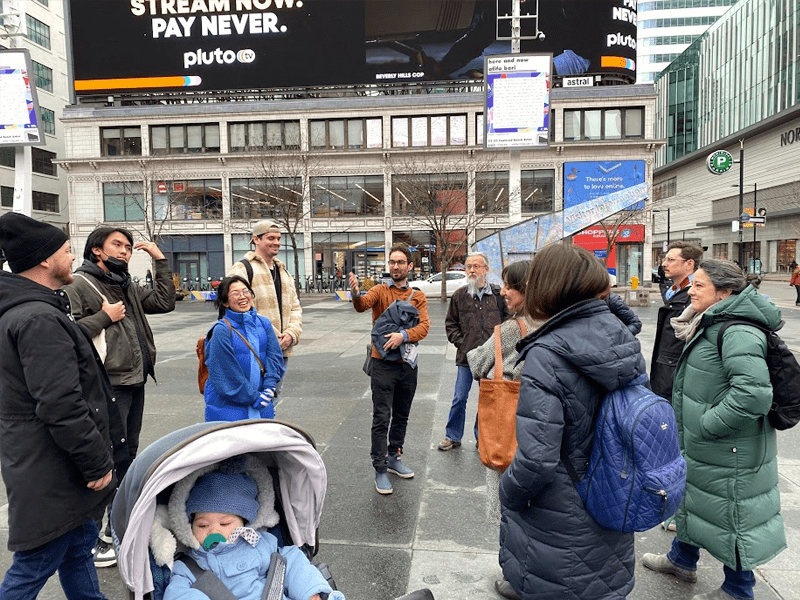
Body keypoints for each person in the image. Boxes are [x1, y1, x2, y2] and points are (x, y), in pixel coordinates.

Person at [498, 243, 646, 600]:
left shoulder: (547, 354)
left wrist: (508, 492)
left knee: (559, 583)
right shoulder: (620, 335)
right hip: (611, 491)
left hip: (560, 509)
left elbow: (536, 460)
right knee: (599, 581)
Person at [641, 259, 786, 600]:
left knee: (732, 512)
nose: (690, 290)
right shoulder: (711, 320)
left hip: (729, 446)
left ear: (725, 292)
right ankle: (682, 559)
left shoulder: (737, 331)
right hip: (708, 444)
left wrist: (707, 424)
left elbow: (753, 394)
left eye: (700, 285)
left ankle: (738, 589)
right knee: (696, 499)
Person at [0, 213, 124, 600]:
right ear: (43, 260)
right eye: (67, 251)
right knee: (34, 566)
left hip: (51, 463)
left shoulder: (35, 309)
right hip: (53, 468)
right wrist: (98, 463)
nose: (72, 258)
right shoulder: (38, 318)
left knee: (76, 551)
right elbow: (60, 404)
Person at [65, 226, 176, 568]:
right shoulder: (79, 285)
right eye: (117, 245)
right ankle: (100, 536)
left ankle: (118, 527)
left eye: (128, 247)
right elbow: (65, 332)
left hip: (133, 380)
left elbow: (163, 301)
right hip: (107, 384)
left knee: (127, 454)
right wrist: (105, 316)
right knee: (109, 458)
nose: (125, 251)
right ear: (96, 250)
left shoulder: (123, 283)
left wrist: (159, 261)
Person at [466, 260, 543, 600]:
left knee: (510, 505)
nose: (502, 291)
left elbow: (478, 363)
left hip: (510, 428)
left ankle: (514, 575)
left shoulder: (513, 329)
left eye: (509, 286)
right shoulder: (553, 322)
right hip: (542, 429)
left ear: (525, 290)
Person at [164, 459, 334, 600]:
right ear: (189, 527)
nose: (214, 531)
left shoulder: (259, 543)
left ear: (244, 523)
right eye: (203, 525)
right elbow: (178, 593)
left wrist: (309, 591)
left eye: (225, 524)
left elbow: (291, 563)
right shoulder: (188, 565)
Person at [349, 242, 430, 495]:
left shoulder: (418, 296)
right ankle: (380, 468)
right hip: (382, 363)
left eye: (400, 262)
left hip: (407, 364)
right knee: (381, 417)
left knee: (402, 415)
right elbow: (362, 305)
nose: (395, 266)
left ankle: (395, 456)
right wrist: (354, 293)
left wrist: (403, 335)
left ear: (409, 266)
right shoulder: (379, 291)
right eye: (392, 262)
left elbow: (424, 327)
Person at [439, 252, 508, 451]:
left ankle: (482, 438)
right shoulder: (460, 296)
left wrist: (499, 347)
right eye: (469, 266)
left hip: (491, 358)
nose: (471, 270)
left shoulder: (497, 295)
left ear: (486, 269)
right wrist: (461, 343)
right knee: (459, 398)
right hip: (466, 357)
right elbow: (451, 324)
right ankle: (453, 436)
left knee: (487, 400)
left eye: (476, 266)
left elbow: (507, 322)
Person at [229, 220, 302, 396]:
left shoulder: (283, 271)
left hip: (282, 349)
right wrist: (272, 335)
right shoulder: (242, 268)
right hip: (255, 349)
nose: (276, 242)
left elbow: (295, 307)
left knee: (273, 396)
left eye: (278, 238)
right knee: (254, 397)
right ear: (256, 239)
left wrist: (291, 334)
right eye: (270, 238)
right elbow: (237, 308)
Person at [203, 276, 286, 422]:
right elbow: (226, 373)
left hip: (262, 405)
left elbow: (274, 356)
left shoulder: (263, 323)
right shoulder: (221, 330)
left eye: (246, 291)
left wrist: (269, 388)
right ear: (225, 302)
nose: (242, 296)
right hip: (228, 411)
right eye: (235, 293)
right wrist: (254, 397)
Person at [651, 241, 703, 402]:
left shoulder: (696, 294)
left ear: (689, 264)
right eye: (665, 260)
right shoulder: (674, 291)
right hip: (668, 372)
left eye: (671, 260)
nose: (664, 264)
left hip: (676, 378)